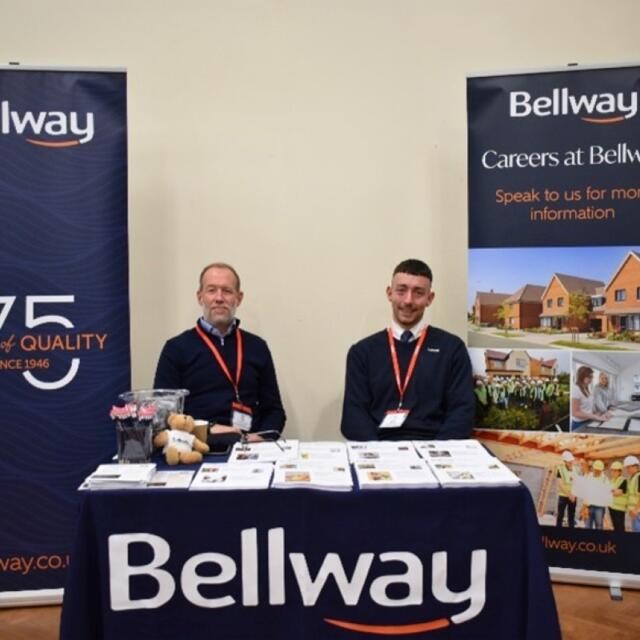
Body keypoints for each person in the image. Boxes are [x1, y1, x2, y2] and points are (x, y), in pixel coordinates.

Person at [340, 259, 474, 441]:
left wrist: (435, 452)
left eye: (418, 293)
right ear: (389, 293)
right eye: (401, 291)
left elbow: (462, 412)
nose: (408, 300)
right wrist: (379, 451)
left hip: (434, 448)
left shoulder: (452, 349)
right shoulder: (362, 352)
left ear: (430, 298)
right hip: (379, 448)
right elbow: (353, 416)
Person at [154, 262, 286, 444]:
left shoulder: (257, 347)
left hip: (250, 447)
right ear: (200, 297)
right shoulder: (176, 348)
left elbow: (275, 411)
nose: (219, 298)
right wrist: (206, 429)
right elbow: (164, 415)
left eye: (227, 291)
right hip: (198, 447)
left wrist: (260, 438)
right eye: (211, 290)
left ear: (238, 298)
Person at [570, 366, 612, 430]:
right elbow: (575, 412)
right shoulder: (576, 389)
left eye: (592, 377)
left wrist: (597, 414)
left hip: (588, 421)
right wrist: (594, 416)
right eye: (589, 377)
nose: (591, 379)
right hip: (579, 424)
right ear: (582, 376)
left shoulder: (587, 389)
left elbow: (587, 407)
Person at [556, 450, 576, 528]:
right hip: (563, 496)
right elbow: (560, 484)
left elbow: (576, 482)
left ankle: (571, 532)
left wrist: (574, 494)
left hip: (573, 496)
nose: (571, 462)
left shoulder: (575, 469)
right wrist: (569, 494)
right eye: (569, 461)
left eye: (571, 461)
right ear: (565, 461)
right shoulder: (560, 469)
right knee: (560, 515)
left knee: (571, 516)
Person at [586, 460, 608, 530]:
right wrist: (584, 507)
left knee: (599, 526)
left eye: (599, 471)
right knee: (587, 525)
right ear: (593, 469)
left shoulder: (605, 479)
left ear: (601, 470)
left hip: (599, 507)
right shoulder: (589, 476)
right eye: (596, 470)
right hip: (588, 505)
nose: (597, 472)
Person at [608, 461, 628, 533]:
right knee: (615, 527)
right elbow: (608, 491)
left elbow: (617, 493)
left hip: (619, 508)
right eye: (612, 470)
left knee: (620, 527)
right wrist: (612, 491)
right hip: (612, 507)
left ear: (620, 471)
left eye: (615, 471)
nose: (612, 472)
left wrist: (611, 491)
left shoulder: (624, 481)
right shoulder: (612, 480)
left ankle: (622, 539)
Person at [624, 455, 640, 533]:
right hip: (634, 511)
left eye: (628, 467)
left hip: (637, 511)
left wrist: (636, 509)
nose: (627, 470)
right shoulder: (632, 477)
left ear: (634, 466)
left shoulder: (639, 477)